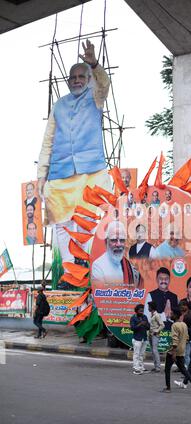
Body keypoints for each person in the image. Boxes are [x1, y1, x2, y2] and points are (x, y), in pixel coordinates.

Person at [37, 39, 111, 276]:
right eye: (73, 77)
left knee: (89, 222)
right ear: (68, 82)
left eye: (82, 76)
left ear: (88, 79)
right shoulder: (59, 105)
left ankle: (92, 274)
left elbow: (104, 84)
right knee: (62, 225)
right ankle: (69, 273)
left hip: (91, 173)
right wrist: (41, 175)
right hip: (60, 176)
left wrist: (94, 64)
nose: (77, 80)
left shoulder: (95, 98)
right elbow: (47, 141)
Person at [92, 221, 143, 287]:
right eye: (114, 240)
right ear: (106, 241)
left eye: (122, 240)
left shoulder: (131, 268)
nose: (118, 244)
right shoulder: (98, 266)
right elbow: (100, 293)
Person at [162, 308, 191, 395]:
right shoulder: (184, 324)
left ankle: (168, 387)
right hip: (182, 350)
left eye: (172, 314)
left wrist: (173, 352)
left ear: (176, 315)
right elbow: (187, 337)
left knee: (167, 369)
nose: (170, 315)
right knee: (183, 369)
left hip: (174, 350)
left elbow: (175, 339)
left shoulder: (174, 325)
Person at [130, 304, 150, 375]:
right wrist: (140, 324)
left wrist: (145, 324)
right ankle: (136, 368)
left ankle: (141, 367)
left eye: (142, 311)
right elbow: (132, 328)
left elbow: (148, 327)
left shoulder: (145, 317)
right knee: (136, 354)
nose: (141, 312)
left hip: (144, 338)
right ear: (136, 311)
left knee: (142, 354)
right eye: (140, 311)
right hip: (137, 338)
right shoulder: (133, 318)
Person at [148, 301, 165, 372]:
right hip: (150, 334)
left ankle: (158, 367)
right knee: (153, 351)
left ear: (152, 307)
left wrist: (156, 331)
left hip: (155, 335)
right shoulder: (151, 315)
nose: (148, 308)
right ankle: (155, 366)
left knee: (155, 350)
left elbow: (162, 325)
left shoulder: (157, 315)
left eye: (149, 307)